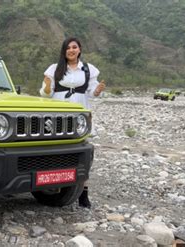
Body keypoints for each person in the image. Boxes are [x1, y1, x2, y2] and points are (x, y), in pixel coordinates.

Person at [39, 37, 106, 208]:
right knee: (53, 151)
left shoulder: (88, 69)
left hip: (79, 115)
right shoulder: (54, 69)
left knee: (83, 155)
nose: (71, 50)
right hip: (57, 115)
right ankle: (51, 188)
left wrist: (97, 91)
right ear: (64, 51)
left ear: (80, 49)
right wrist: (47, 87)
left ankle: (83, 193)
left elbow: (92, 93)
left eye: (74, 47)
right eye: (68, 47)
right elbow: (46, 94)